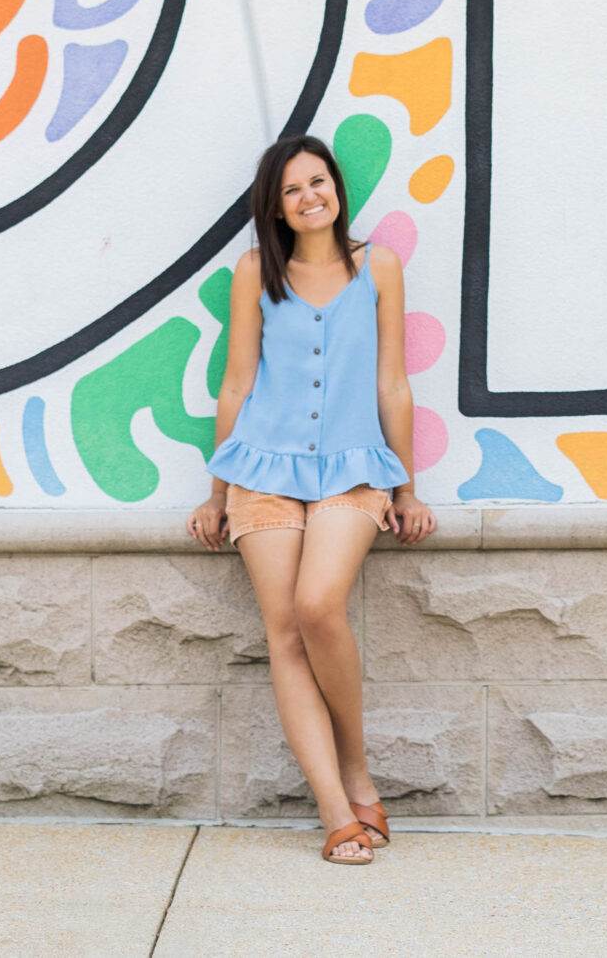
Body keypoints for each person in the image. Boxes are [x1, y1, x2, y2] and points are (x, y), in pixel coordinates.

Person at [187, 134, 436, 864]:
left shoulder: (377, 266)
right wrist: (215, 491)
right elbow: (236, 381)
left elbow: (393, 381)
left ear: (336, 187)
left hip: (354, 469)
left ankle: (355, 765)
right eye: (292, 189)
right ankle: (337, 811)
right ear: (276, 205)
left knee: (318, 604)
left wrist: (408, 486)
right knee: (285, 631)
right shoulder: (255, 271)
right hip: (261, 470)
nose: (308, 196)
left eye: (317, 181)